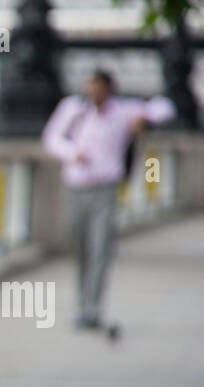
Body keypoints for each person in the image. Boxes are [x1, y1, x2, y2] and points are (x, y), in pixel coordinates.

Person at [41, 69, 175, 334]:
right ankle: (83, 305)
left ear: (109, 90)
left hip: (106, 189)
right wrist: (72, 153)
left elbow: (166, 107)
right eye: (91, 87)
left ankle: (92, 310)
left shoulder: (122, 111)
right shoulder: (73, 109)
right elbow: (51, 138)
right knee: (80, 248)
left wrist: (143, 120)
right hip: (77, 186)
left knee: (100, 247)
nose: (94, 93)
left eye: (99, 88)